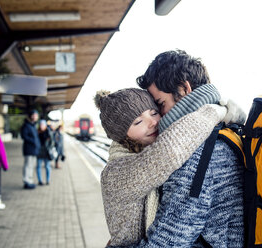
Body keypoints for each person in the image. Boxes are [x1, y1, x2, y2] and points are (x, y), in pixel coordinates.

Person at [95, 88, 245, 247]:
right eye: (138, 122)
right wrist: (215, 111)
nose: (153, 122)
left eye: (153, 113)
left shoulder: (145, 151)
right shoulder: (116, 174)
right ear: (122, 137)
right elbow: (169, 151)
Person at [132, 49, 245, 247]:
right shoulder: (226, 127)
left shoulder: (196, 149)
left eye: (160, 105)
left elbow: (171, 238)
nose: (159, 118)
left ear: (184, 89)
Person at [20, 109, 40, 189]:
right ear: (31, 116)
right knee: (27, 165)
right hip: (28, 149)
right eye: (35, 115)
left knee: (31, 166)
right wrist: (33, 141)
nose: (36, 117)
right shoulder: (26, 125)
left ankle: (30, 180)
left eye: (36, 115)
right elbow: (24, 136)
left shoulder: (33, 125)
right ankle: (26, 181)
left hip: (34, 149)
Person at [36, 119, 54, 185]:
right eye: (40, 124)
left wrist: (49, 148)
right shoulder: (37, 132)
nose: (42, 126)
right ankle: (40, 180)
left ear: (45, 125)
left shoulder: (49, 132)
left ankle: (48, 180)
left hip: (47, 152)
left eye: (43, 124)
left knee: (47, 166)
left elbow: (52, 142)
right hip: (39, 152)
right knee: (38, 166)